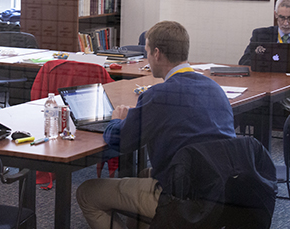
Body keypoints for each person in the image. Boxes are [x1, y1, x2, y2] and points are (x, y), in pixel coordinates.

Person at [76, 21, 236, 229]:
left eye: (147, 52)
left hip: (184, 198)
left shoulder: (160, 95)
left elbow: (121, 141)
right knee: (143, 174)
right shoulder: (214, 88)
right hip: (220, 190)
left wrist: (117, 120)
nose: (147, 58)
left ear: (157, 53)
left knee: (87, 192)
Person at [238, 0, 290, 130]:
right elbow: (244, 61)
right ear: (275, 15)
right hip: (265, 88)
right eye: (282, 18)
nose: (285, 23)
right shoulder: (261, 35)